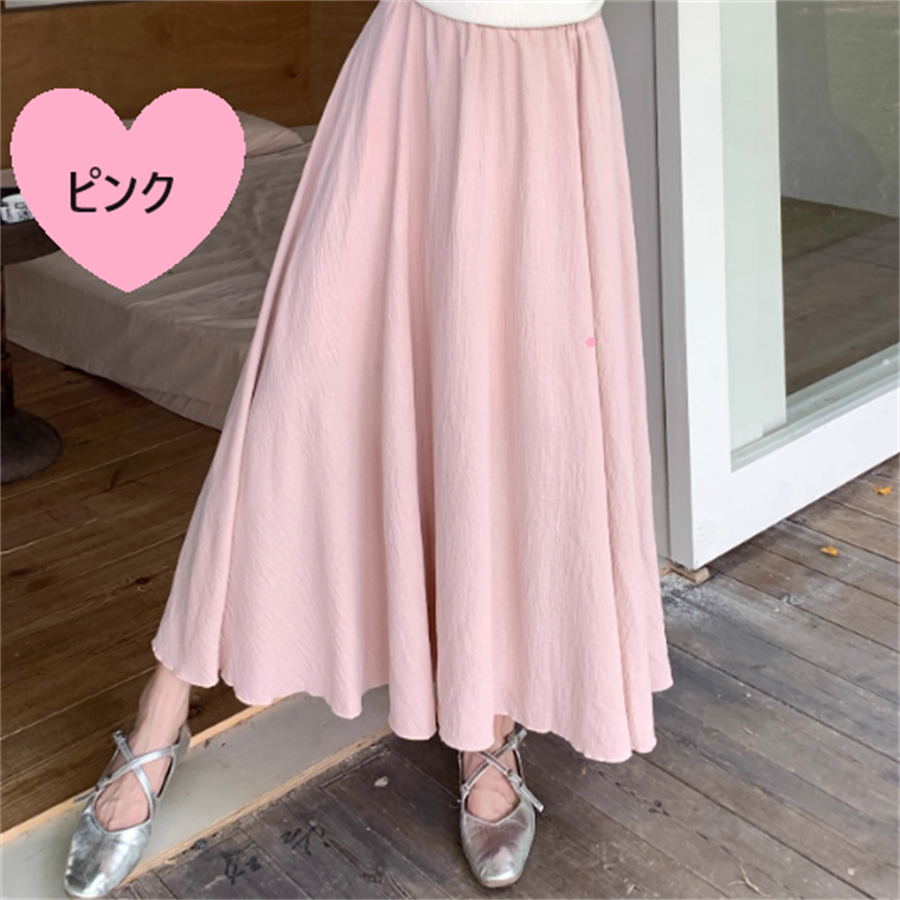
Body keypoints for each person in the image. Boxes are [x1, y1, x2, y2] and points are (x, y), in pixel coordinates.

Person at [63, 1, 674, 896]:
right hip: (416, 60)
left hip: (555, 68)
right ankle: (165, 702)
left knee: (513, 392)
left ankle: (482, 716)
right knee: (300, 385)